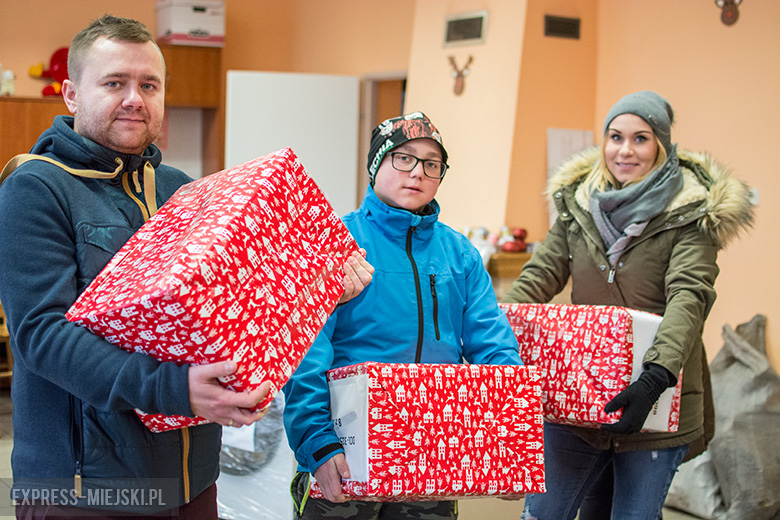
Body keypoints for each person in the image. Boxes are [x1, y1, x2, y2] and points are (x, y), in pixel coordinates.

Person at [0, 14, 372, 519]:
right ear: (70, 94)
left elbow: (243, 305)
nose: (135, 97)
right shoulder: (36, 187)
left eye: (148, 84)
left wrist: (320, 290)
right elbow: (41, 335)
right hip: (86, 489)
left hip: (193, 480)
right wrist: (174, 389)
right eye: (114, 82)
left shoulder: (181, 188)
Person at [501, 90, 754, 520]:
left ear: (661, 145)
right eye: (615, 136)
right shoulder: (577, 204)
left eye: (641, 138)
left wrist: (655, 378)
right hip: (579, 396)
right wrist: (494, 329)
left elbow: (688, 297)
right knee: (543, 513)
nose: (625, 150)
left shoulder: (690, 213)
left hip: (656, 397)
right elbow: (540, 275)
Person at [282, 112, 524, 520]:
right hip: (344, 452)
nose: (417, 173)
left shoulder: (459, 253)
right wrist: (317, 443)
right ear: (377, 164)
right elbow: (304, 352)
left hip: (431, 452)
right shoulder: (333, 242)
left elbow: (495, 349)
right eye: (403, 158)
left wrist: (513, 442)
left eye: (432, 164)